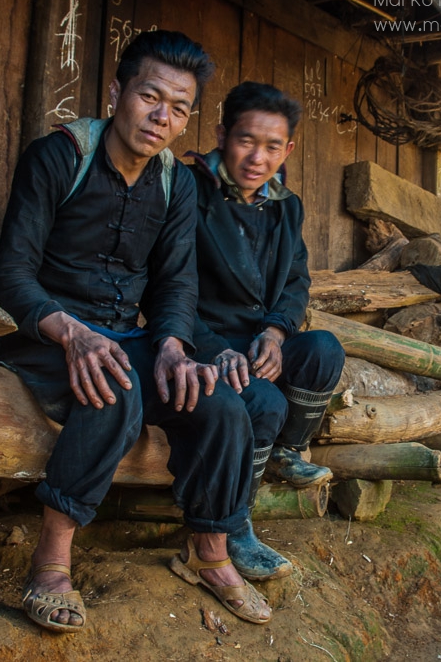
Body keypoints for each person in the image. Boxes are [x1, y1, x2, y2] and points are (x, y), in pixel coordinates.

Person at [0, 31, 271, 633]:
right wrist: (72, 333)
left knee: (220, 401)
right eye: (150, 96)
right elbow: (9, 275)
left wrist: (171, 346)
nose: (162, 117)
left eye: (179, 108)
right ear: (117, 93)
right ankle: (51, 561)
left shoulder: (176, 183)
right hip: (43, 335)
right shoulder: (59, 157)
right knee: (114, 387)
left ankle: (209, 553)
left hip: (123, 336)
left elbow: (176, 284)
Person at [187, 82, 346, 581]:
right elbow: (169, 289)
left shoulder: (285, 205)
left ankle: (283, 452)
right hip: (204, 341)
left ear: (288, 150)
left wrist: (277, 333)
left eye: (272, 146)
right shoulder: (189, 192)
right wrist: (213, 349)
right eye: (246, 141)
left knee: (323, 349)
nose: (258, 158)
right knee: (265, 401)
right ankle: (236, 525)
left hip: (260, 341)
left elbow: (296, 281)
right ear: (222, 136)